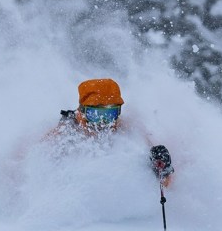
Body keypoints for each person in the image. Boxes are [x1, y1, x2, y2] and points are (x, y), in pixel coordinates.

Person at [46, 78, 175, 187]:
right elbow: (38, 165)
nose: (103, 122)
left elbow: (165, 185)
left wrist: (164, 169)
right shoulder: (66, 132)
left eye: (110, 114)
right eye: (95, 114)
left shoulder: (128, 129)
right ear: (81, 112)